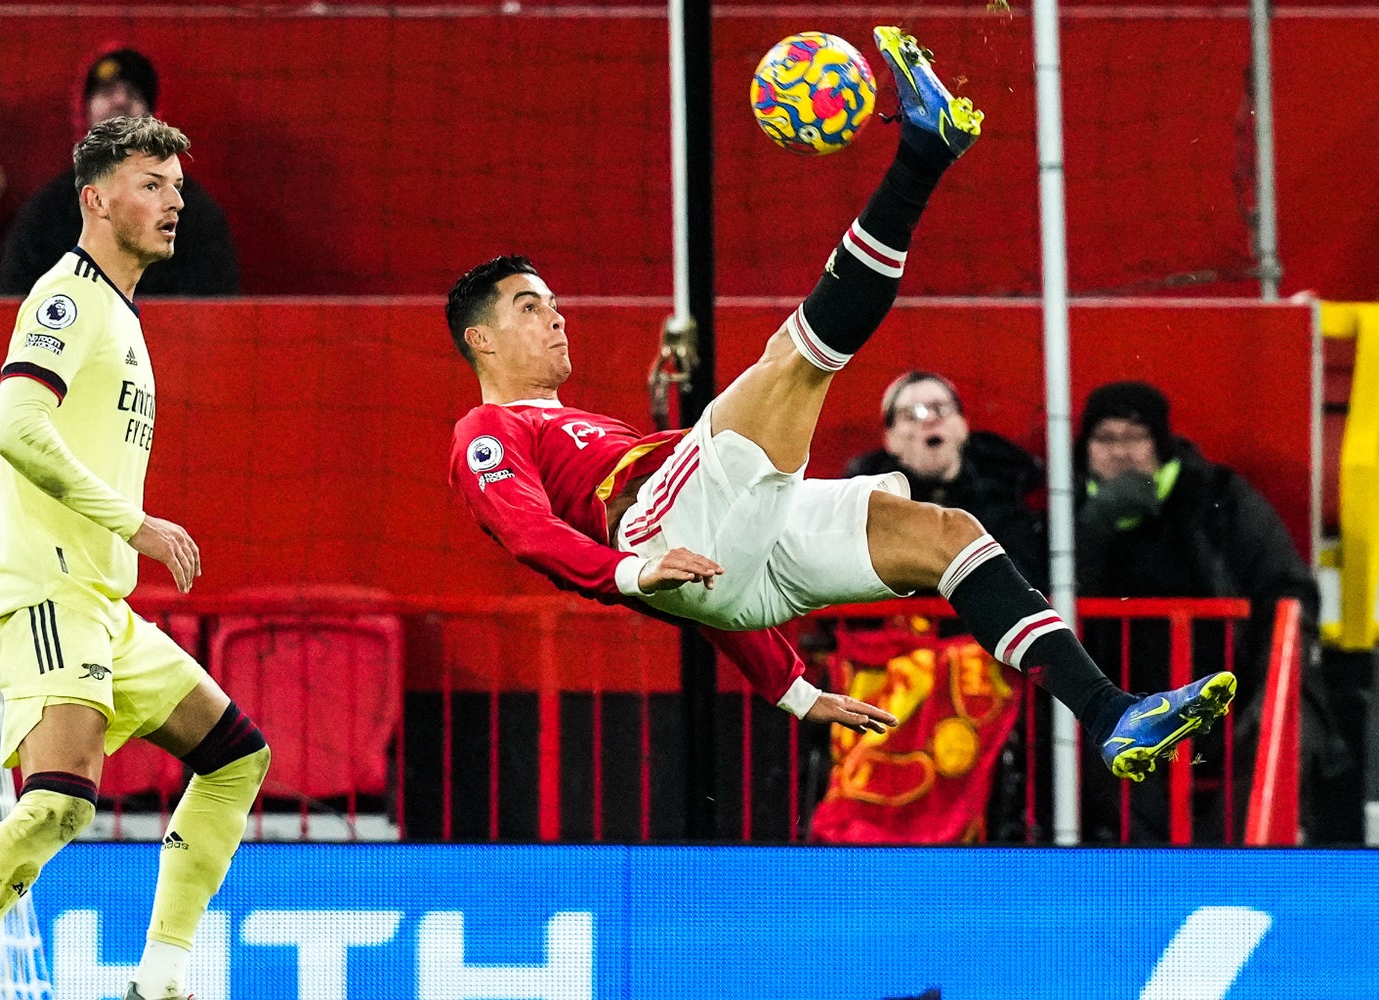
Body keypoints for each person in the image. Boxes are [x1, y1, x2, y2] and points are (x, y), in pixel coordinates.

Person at [446, 27, 1235, 787]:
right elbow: (530, 533)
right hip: (660, 532)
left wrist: (793, 689)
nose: (555, 316)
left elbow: (707, 584)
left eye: (551, 302)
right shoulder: (488, 429)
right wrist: (630, 567)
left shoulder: (594, 431)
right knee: (794, 360)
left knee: (946, 537)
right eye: (527, 306)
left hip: (737, 581)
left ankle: (1110, 712)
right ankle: (921, 157)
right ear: (480, 339)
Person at [0, 116, 263, 1000]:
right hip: (48, 592)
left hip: (98, 602)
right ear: (95, 201)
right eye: (150, 184)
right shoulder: (67, 298)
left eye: (176, 185)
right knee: (57, 803)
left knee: (238, 755)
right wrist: (132, 522)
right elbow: (13, 425)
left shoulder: (122, 312)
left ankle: (160, 977)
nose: (173, 201)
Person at [1074, 380, 1328, 838]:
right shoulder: (1064, 508)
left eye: (1135, 436)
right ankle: (1151, 887)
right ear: (1085, 449)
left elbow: (1287, 588)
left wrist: (1265, 687)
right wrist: (1091, 533)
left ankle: (1231, 873)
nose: (1121, 452)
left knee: (1275, 744)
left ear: (1160, 442)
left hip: (1226, 698)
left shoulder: (1218, 497)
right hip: (1113, 709)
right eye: (1105, 439)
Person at [0, 48, 240, 297]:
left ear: (153, 116)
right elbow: (15, 300)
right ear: (86, 111)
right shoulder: (48, 211)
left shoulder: (191, 211)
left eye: (133, 94)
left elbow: (215, 307)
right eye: (107, 92)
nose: (120, 101)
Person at [845, 371, 1047, 584]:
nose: (930, 419)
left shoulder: (1009, 494)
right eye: (911, 414)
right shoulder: (868, 507)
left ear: (963, 425)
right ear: (890, 439)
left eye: (941, 408)